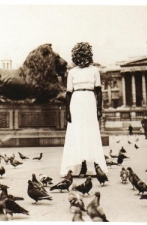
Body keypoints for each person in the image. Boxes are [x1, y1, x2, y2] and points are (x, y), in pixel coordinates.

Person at [60, 42, 108, 178]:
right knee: (77, 133)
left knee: (89, 132)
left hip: (89, 101)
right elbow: (68, 93)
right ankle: (80, 166)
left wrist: (99, 108)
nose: (82, 59)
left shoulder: (94, 71)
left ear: (88, 56)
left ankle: (90, 165)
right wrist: (68, 111)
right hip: (76, 101)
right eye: (79, 56)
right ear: (76, 57)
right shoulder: (72, 72)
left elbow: (98, 91)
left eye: (84, 56)